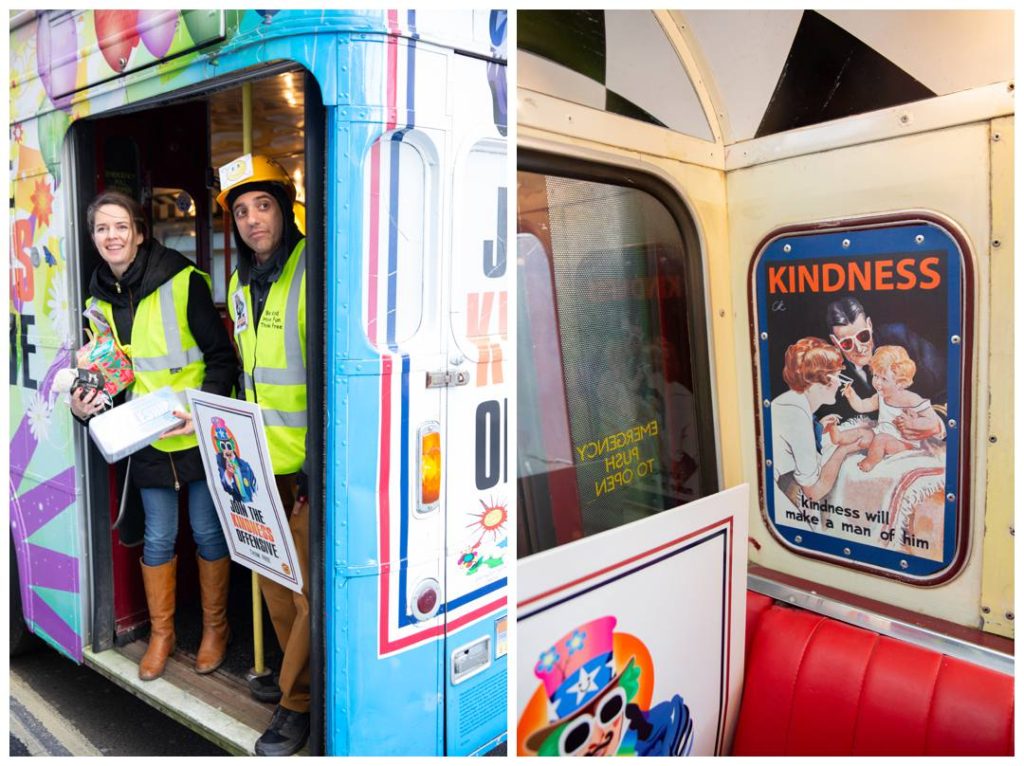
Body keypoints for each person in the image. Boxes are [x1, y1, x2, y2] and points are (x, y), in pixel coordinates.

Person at [69, 190, 238, 681]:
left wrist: (199, 413)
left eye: (120, 226)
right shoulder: (97, 300)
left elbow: (222, 358)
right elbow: (109, 375)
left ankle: (216, 629)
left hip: (195, 432)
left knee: (207, 532)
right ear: (94, 238)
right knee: (160, 538)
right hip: (145, 439)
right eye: (102, 229)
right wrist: (84, 405)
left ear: (140, 232)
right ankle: (162, 635)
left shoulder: (183, 281)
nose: (111, 236)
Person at [216, 153, 310, 757]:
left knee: (309, 600)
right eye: (242, 211)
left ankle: (297, 707)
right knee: (277, 590)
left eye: (263, 206)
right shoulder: (238, 283)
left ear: (285, 209)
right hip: (257, 469)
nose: (253, 221)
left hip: (304, 470)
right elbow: (250, 377)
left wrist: (313, 466)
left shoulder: (313, 270)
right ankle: (293, 682)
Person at [820, 297, 945, 440]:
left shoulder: (900, 337)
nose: (859, 348)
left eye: (863, 336)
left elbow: (950, 382)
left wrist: (937, 424)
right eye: (847, 343)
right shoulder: (829, 369)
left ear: (870, 325)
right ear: (835, 343)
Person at [771, 338, 868, 509]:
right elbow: (814, 492)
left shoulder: (791, 402)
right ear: (819, 380)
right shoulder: (798, 415)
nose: (839, 384)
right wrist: (843, 450)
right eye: (837, 377)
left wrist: (817, 429)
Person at [835, 345, 943, 472]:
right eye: (875, 376)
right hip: (880, 434)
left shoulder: (911, 399)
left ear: (900, 382)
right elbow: (862, 406)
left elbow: (932, 421)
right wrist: (851, 396)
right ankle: (838, 437)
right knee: (863, 432)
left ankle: (870, 463)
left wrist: (913, 423)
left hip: (903, 443)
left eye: (884, 379)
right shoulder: (881, 396)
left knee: (881, 439)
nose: (878, 382)